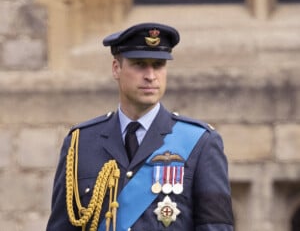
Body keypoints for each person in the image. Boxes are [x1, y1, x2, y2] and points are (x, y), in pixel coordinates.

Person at [46, 22, 234, 231]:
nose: (151, 76)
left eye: (158, 65)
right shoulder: (81, 143)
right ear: (116, 68)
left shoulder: (200, 143)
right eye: (139, 64)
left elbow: (216, 227)